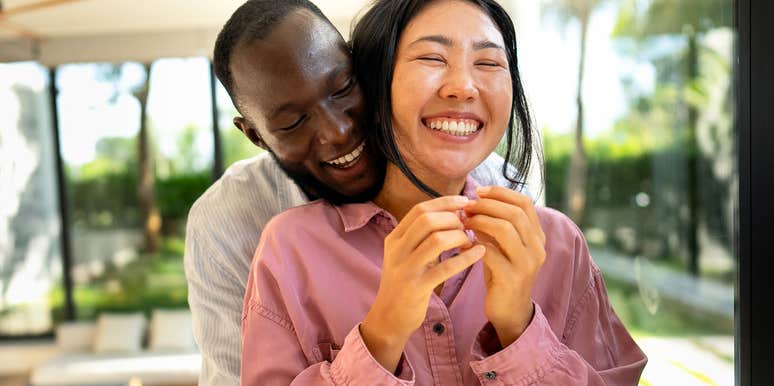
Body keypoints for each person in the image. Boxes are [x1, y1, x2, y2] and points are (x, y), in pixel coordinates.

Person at [240, 0, 647, 384]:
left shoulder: (558, 246)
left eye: (488, 63)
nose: (464, 87)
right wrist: (381, 335)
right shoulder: (290, 250)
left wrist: (518, 328)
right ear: (375, 86)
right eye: (432, 58)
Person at [184, 1, 525, 384]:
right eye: (294, 121)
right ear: (255, 135)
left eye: (343, 87)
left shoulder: (489, 178)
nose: (337, 131)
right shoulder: (227, 222)